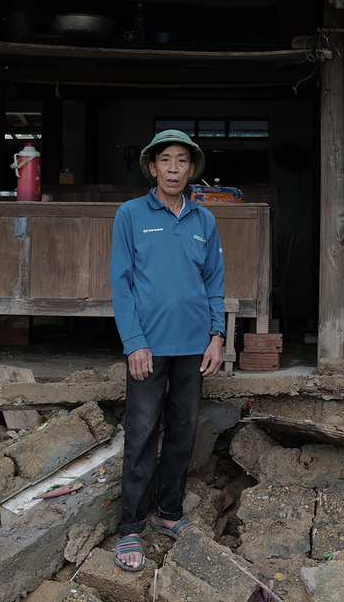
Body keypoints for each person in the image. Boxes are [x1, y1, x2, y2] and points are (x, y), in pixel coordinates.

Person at [109, 129, 226, 571]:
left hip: (194, 346)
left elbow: (214, 283)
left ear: (191, 169)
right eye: (165, 160)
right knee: (140, 434)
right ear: (152, 167)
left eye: (182, 160)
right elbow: (122, 284)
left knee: (182, 432)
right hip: (149, 348)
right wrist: (134, 342)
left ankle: (167, 513)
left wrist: (217, 337)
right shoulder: (130, 214)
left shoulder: (204, 222)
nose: (174, 168)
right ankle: (130, 527)